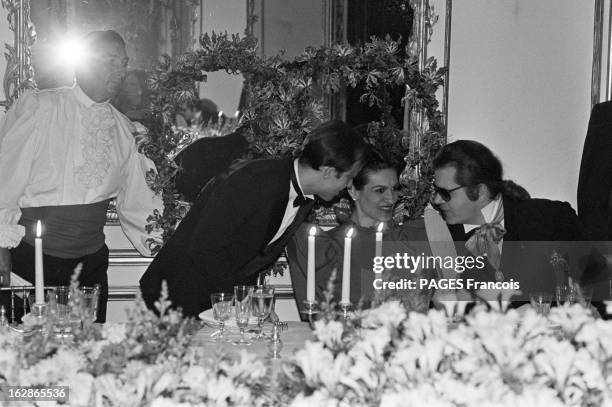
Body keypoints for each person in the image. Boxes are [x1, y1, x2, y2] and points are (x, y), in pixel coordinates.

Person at [0, 30, 163, 322]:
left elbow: (142, 207)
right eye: (111, 60)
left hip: (91, 266)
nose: (122, 70)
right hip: (31, 262)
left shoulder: (126, 130)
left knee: (87, 357)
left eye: (123, 62)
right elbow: (4, 180)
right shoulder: (40, 107)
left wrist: (172, 248)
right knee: (30, 358)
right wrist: (1, 246)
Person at [140, 120, 367, 317]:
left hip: (216, 300)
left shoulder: (306, 197)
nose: (348, 186)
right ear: (328, 171)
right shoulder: (254, 180)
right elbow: (204, 248)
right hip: (178, 296)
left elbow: (251, 257)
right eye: (348, 177)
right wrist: (244, 299)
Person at [408, 140, 578, 303]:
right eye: (436, 191)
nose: (437, 200)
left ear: (480, 191)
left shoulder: (551, 219)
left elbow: (592, 284)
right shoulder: (439, 238)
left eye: (445, 193)